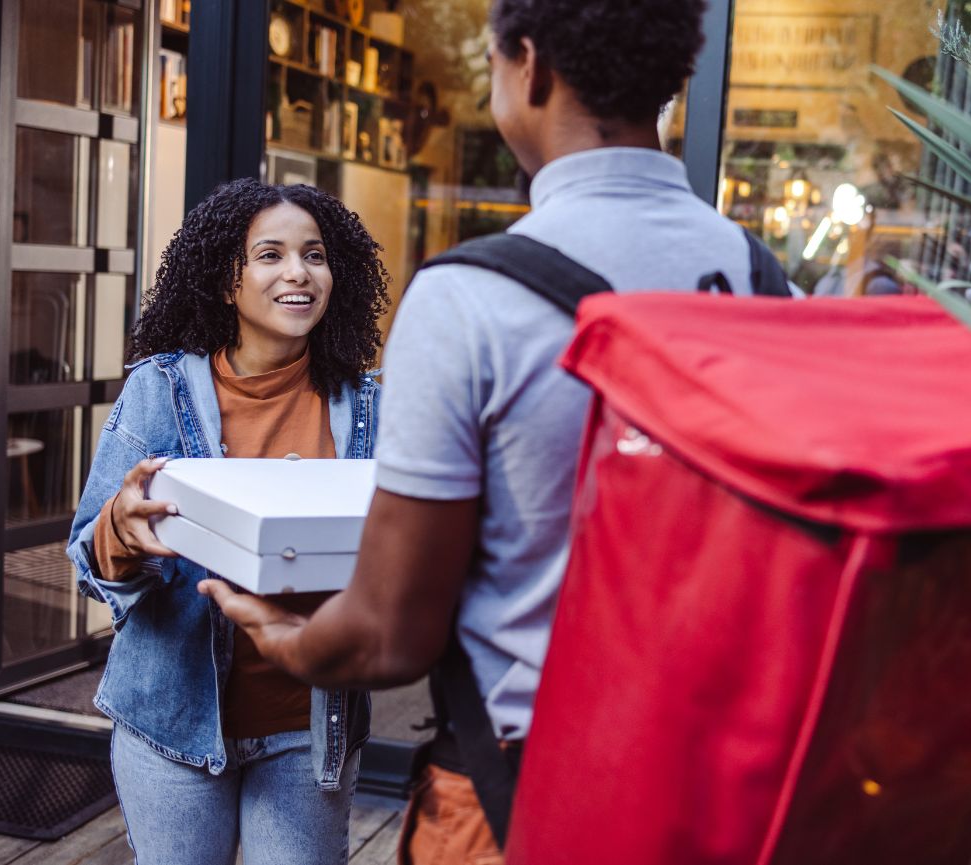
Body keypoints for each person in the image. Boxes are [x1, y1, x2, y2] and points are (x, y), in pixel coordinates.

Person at [200, 0, 778, 861]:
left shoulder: (469, 300)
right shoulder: (765, 281)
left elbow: (389, 633)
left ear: (531, 67)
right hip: (717, 781)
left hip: (524, 792)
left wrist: (279, 636)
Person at [67, 178, 390, 865]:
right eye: (270, 255)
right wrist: (121, 534)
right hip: (171, 723)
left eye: (315, 254)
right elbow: (88, 561)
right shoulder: (160, 390)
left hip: (307, 727)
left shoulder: (368, 407)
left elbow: (396, 557)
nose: (298, 272)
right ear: (225, 280)